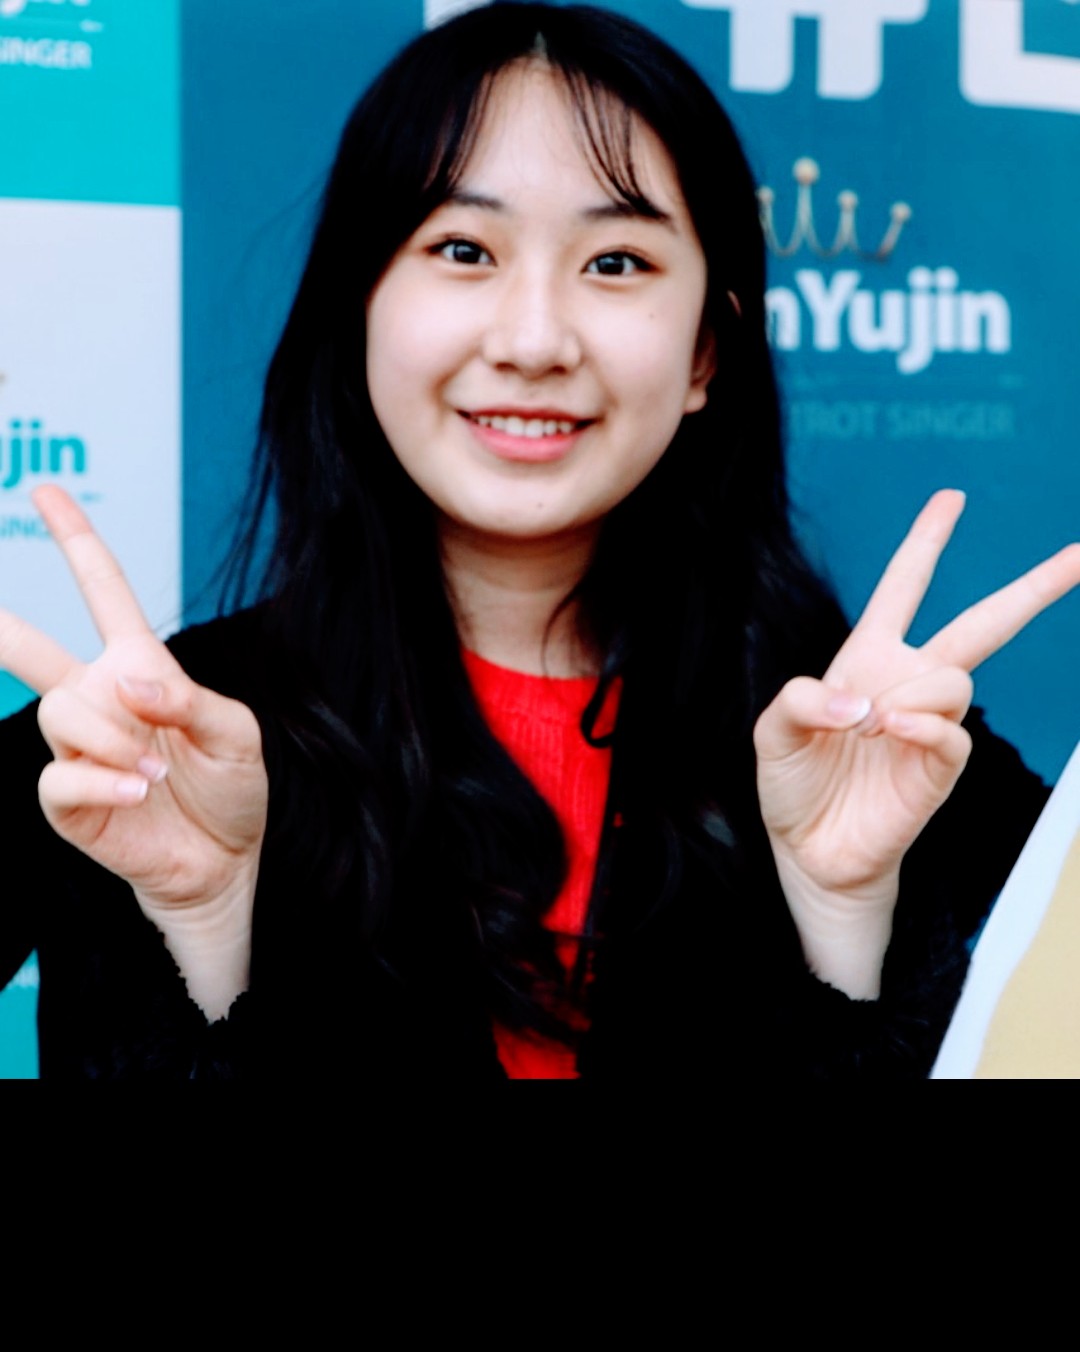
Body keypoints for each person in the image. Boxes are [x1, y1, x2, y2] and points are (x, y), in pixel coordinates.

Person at [0, 1, 1077, 1080]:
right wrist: (202, 931)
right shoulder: (149, 748)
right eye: (464, 249)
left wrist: (846, 923)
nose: (533, 340)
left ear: (708, 351)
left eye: (616, 263)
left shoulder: (874, 742)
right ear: (358, 308)